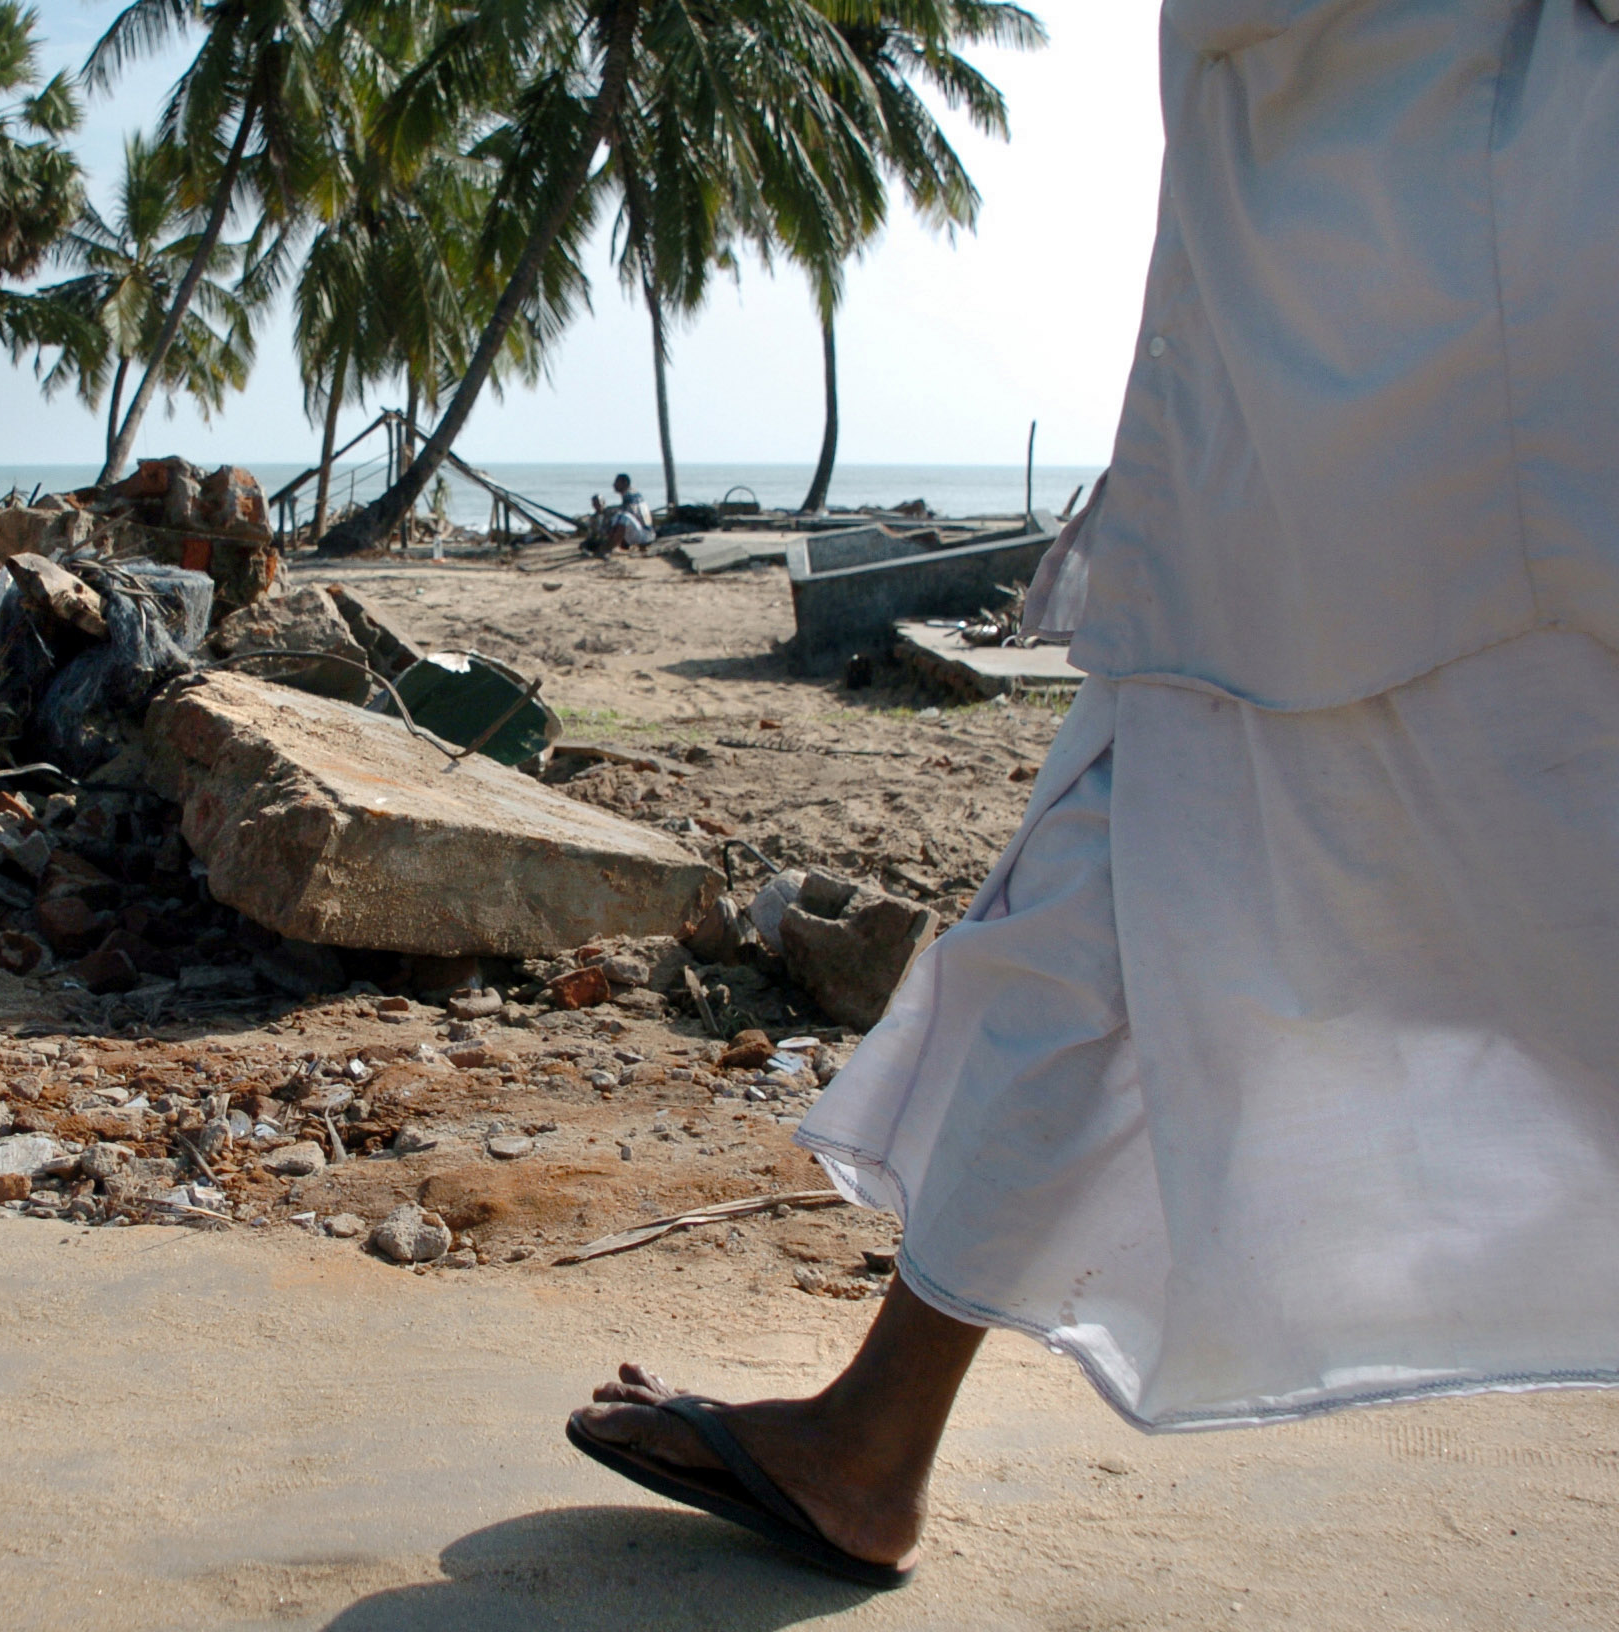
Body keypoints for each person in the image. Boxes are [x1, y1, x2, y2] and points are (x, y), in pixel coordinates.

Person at [567, 0, 1619, 1590]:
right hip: (1368, 337)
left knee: (1136, 886)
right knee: (1124, 890)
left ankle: (873, 1440)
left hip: (1414, 353)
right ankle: (873, 1438)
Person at [585, 472, 653, 556]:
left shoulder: (630, 495)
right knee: (617, 517)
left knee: (622, 517)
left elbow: (628, 514)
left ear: (625, 483)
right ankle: (607, 545)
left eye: (617, 482)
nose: (614, 485)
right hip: (639, 532)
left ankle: (611, 547)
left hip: (644, 535)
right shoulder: (633, 494)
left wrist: (609, 512)